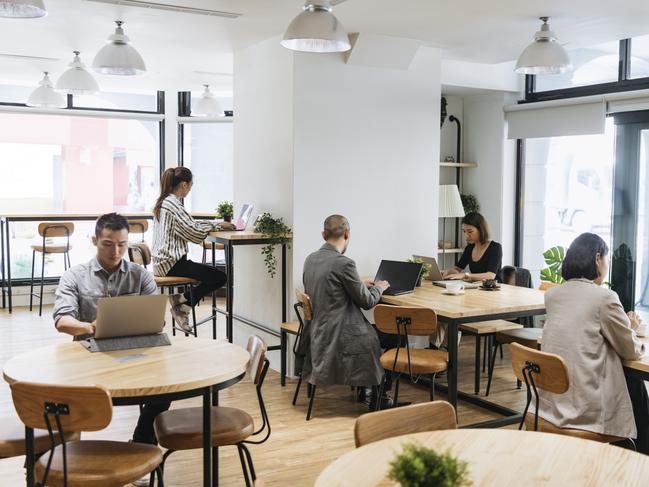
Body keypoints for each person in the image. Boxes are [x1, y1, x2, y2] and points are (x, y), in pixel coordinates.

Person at [53, 213, 169, 457]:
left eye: (122, 245)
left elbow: (156, 319)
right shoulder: (74, 276)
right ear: (95, 240)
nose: (115, 251)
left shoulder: (141, 276)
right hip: (89, 355)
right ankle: (59, 461)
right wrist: (90, 327)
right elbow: (62, 320)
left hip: (136, 352)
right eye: (108, 244)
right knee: (55, 396)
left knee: (165, 388)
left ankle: (143, 444)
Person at [539, 233, 648, 453]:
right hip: (585, 409)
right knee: (634, 383)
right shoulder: (604, 298)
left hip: (550, 404)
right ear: (598, 259)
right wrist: (632, 329)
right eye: (606, 259)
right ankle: (641, 458)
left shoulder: (553, 295)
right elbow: (630, 350)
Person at [300, 214, 399, 409]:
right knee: (396, 336)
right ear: (347, 233)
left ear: (323, 234)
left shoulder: (310, 259)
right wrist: (380, 286)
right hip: (342, 334)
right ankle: (380, 394)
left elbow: (328, 287)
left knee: (381, 334)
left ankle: (367, 389)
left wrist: (358, 283)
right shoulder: (344, 263)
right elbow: (367, 301)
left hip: (319, 330)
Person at [152, 166, 231, 332]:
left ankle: (180, 301)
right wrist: (218, 224)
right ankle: (182, 305)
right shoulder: (173, 205)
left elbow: (190, 226)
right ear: (183, 185)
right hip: (171, 264)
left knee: (214, 275)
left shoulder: (165, 202)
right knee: (219, 277)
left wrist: (213, 224)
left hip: (164, 263)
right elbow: (193, 230)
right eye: (190, 185)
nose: (189, 189)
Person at [442, 212, 502, 282]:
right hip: (477, 287)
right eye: (464, 231)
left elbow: (490, 276)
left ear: (481, 230)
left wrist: (465, 275)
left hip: (493, 289)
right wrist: (448, 272)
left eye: (470, 232)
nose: (466, 236)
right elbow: (457, 268)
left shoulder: (495, 248)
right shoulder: (469, 248)